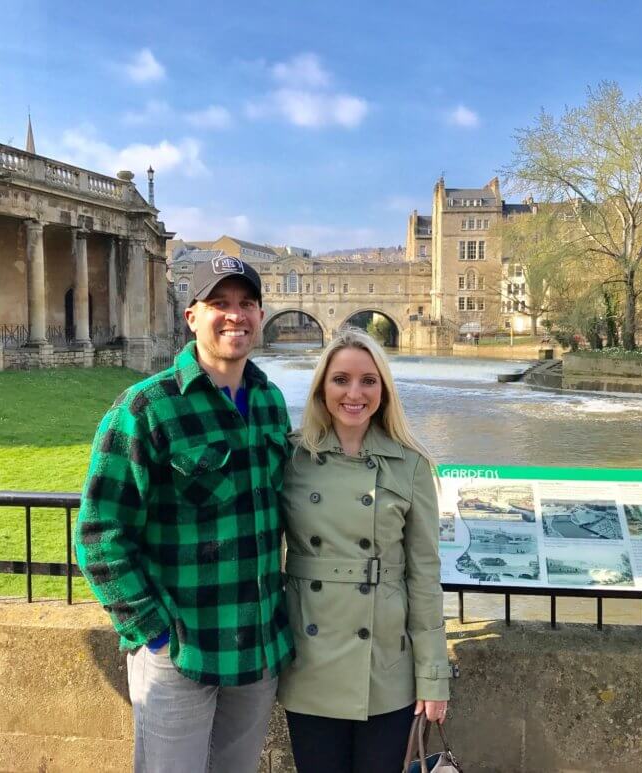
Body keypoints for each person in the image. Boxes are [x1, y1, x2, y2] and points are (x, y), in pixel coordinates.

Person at [74, 255, 293, 773]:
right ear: (191, 316)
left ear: (261, 315)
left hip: (257, 646)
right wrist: (153, 632)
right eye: (219, 304)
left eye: (246, 304)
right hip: (182, 649)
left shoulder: (270, 401)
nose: (234, 316)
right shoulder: (145, 407)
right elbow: (100, 533)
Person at [278, 327, 450, 773]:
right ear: (322, 388)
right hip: (310, 661)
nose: (354, 393)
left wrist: (433, 676)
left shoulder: (411, 464)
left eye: (368, 381)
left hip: (386, 667)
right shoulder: (292, 459)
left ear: (384, 390)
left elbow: (424, 575)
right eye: (341, 380)